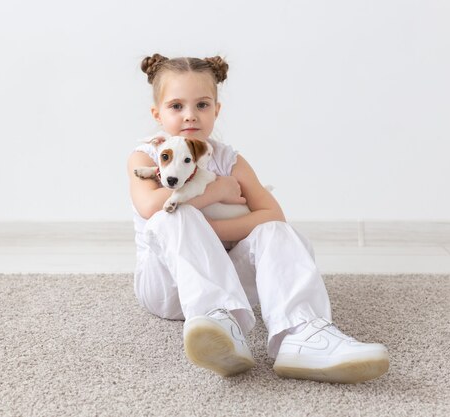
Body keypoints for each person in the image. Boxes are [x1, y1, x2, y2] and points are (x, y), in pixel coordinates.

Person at [127, 53, 389, 383]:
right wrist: (218, 191)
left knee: (275, 232)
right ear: (158, 114)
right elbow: (151, 206)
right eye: (177, 106)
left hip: (232, 285)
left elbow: (272, 215)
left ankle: (301, 332)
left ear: (217, 110)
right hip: (168, 285)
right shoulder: (148, 155)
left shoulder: (228, 159)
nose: (190, 115)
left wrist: (212, 229)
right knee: (172, 214)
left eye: (202, 105)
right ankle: (215, 320)